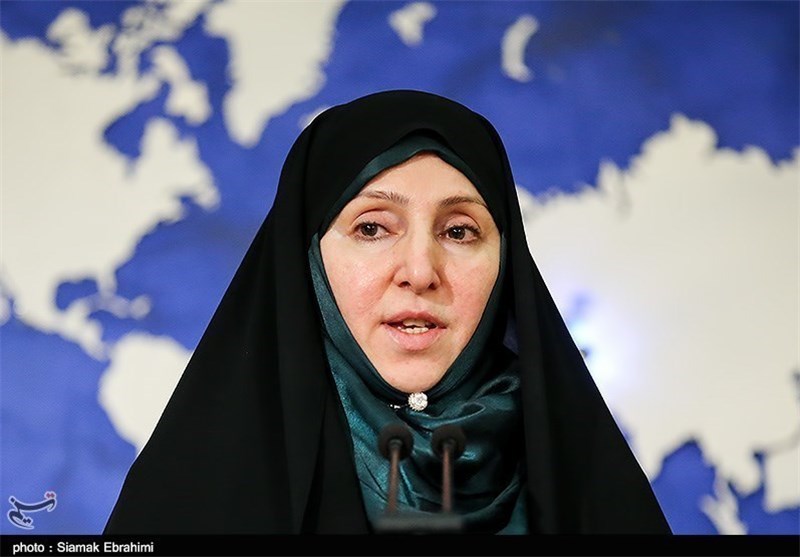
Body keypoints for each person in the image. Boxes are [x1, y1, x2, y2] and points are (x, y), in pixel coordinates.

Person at [103, 89, 672, 535]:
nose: (420, 271)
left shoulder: (586, 481)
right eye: (372, 228)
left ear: (507, 261)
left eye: (458, 231)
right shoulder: (196, 487)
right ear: (308, 257)